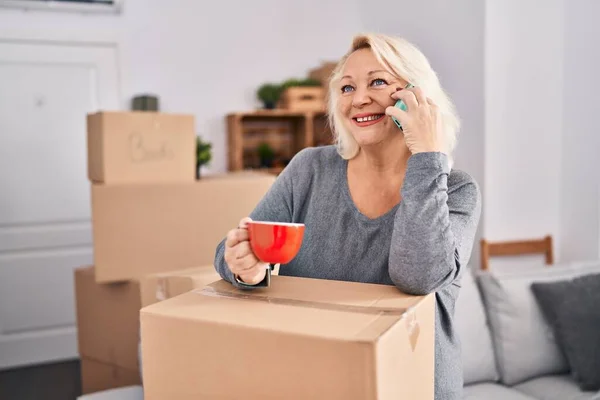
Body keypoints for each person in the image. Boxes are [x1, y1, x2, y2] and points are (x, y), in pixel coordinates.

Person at [214, 32, 481, 400]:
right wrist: (244, 267)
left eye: (378, 82)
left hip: (412, 385)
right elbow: (232, 252)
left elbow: (418, 276)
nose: (359, 99)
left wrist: (426, 156)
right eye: (346, 87)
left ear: (418, 97)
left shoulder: (457, 190)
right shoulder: (309, 169)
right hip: (317, 380)